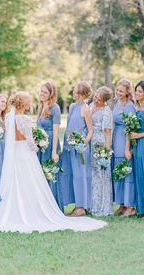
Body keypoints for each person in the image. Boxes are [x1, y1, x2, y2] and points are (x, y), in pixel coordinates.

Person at [0, 91, 107, 233]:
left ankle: (15, 210)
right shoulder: (25, 120)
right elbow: (30, 142)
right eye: (28, 101)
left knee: (18, 182)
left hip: (15, 154)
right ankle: (32, 210)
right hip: (26, 154)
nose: (30, 103)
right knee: (31, 182)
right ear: (23, 103)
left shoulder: (9, 117)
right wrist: (40, 144)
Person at [61, 81, 93, 216]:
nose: (73, 93)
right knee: (71, 176)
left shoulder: (85, 108)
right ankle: (74, 204)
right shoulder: (73, 106)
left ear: (82, 93)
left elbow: (90, 131)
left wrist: (82, 144)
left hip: (80, 149)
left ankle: (82, 207)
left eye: (75, 91)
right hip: (69, 147)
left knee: (81, 176)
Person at [112, 79, 136, 216]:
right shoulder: (116, 103)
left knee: (126, 171)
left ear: (127, 92)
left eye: (121, 91)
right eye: (117, 90)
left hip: (125, 138)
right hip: (116, 137)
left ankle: (130, 205)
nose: (118, 93)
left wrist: (127, 148)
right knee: (118, 170)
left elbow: (130, 127)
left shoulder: (129, 105)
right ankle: (121, 203)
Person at [37, 82, 63, 208]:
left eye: (45, 92)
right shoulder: (41, 106)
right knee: (41, 175)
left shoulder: (55, 108)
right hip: (41, 147)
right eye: (41, 91)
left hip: (51, 145)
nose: (42, 94)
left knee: (50, 174)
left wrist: (54, 152)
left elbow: (56, 131)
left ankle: (52, 206)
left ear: (51, 94)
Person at [90, 87, 113, 216]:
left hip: (100, 145)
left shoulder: (106, 112)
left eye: (99, 97)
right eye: (96, 95)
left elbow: (108, 133)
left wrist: (106, 152)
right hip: (90, 144)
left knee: (101, 176)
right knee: (92, 175)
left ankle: (102, 206)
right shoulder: (91, 105)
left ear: (104, 100)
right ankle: (92, 204)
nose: (96, 98)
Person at [131, 80, 144, 219]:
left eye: (139, 91)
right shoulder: (137, 109)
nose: (137, 94)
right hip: (137, 145)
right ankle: (143, 208)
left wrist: (139, 135)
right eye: (136, 91)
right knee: (139, 175)